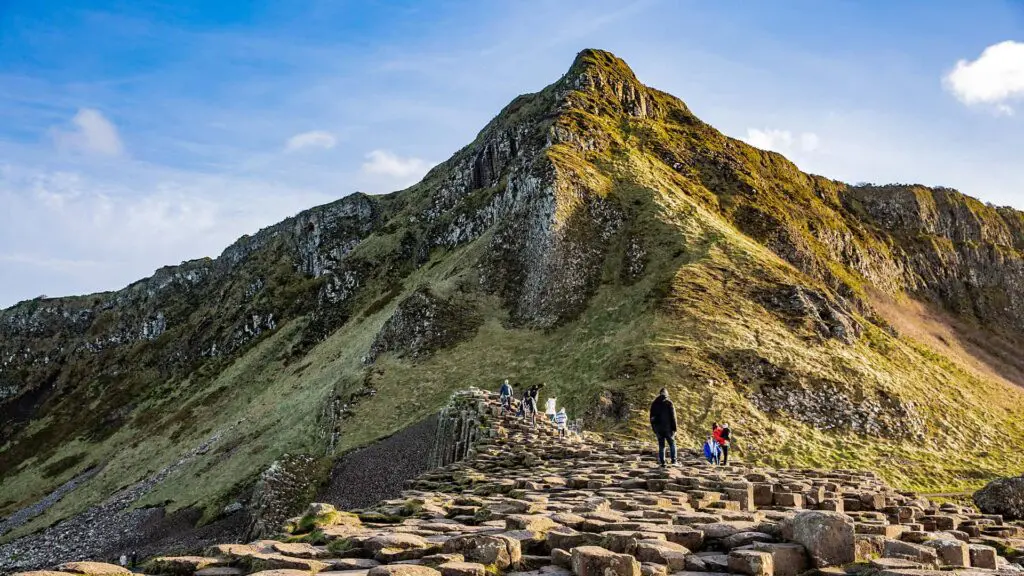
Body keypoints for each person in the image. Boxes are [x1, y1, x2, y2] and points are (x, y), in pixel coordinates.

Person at [649, 388, 677, 467]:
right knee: (672, 444)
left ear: (660, 393)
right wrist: (674, 429)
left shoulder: (654, 404)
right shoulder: (669, 403)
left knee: (661, 446)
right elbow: (673, 417)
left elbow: (651, 418)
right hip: (668, 429)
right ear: (666, 394)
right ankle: (674, 461)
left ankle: (663, 463)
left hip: (658, 429)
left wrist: (655, 429)